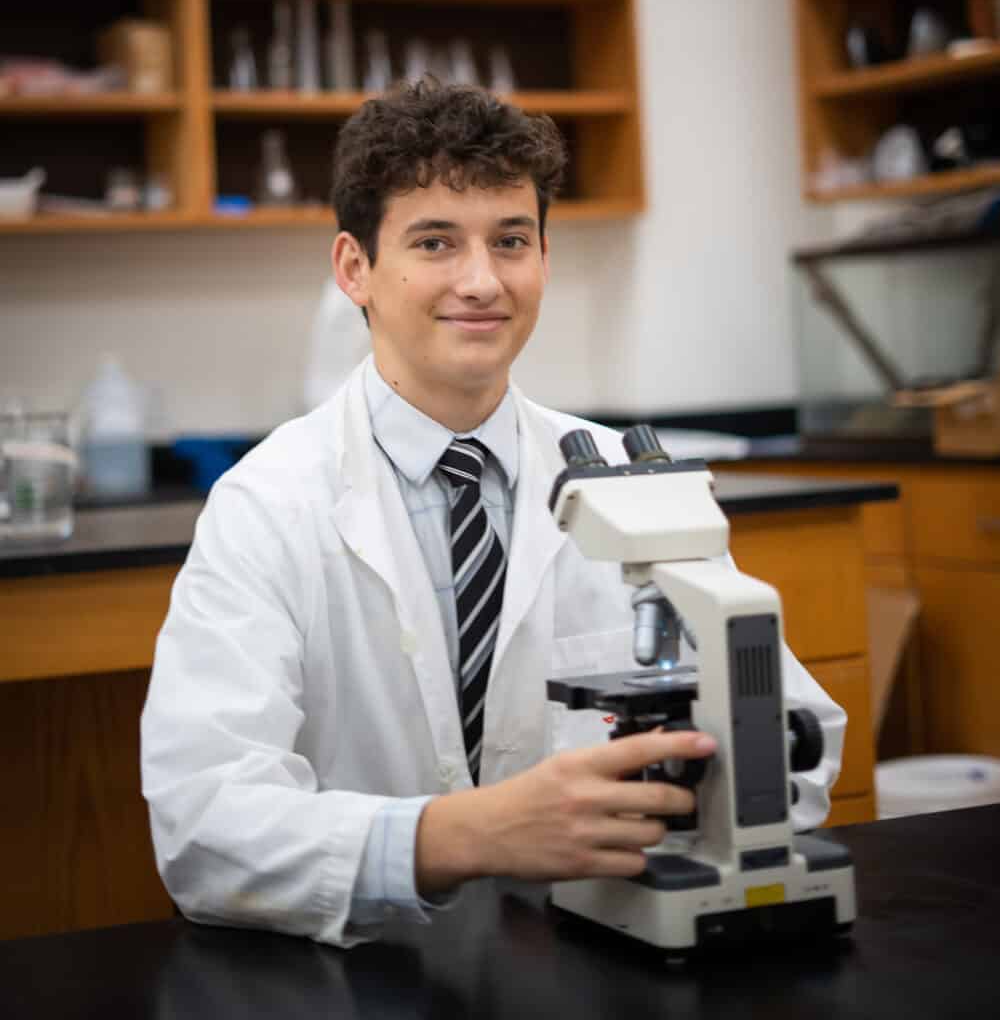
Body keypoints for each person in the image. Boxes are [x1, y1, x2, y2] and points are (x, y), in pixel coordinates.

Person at [141, 80, 846, 948]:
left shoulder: (629, 481)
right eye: (435, 241)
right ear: (353, 268)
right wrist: (462, 837)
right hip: (364, 965)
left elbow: (804, 747)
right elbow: (202, 826)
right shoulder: (266, 504)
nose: (482, 281)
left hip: (594, 946)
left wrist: (684, 788)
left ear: (543, 257)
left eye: (511, 241)